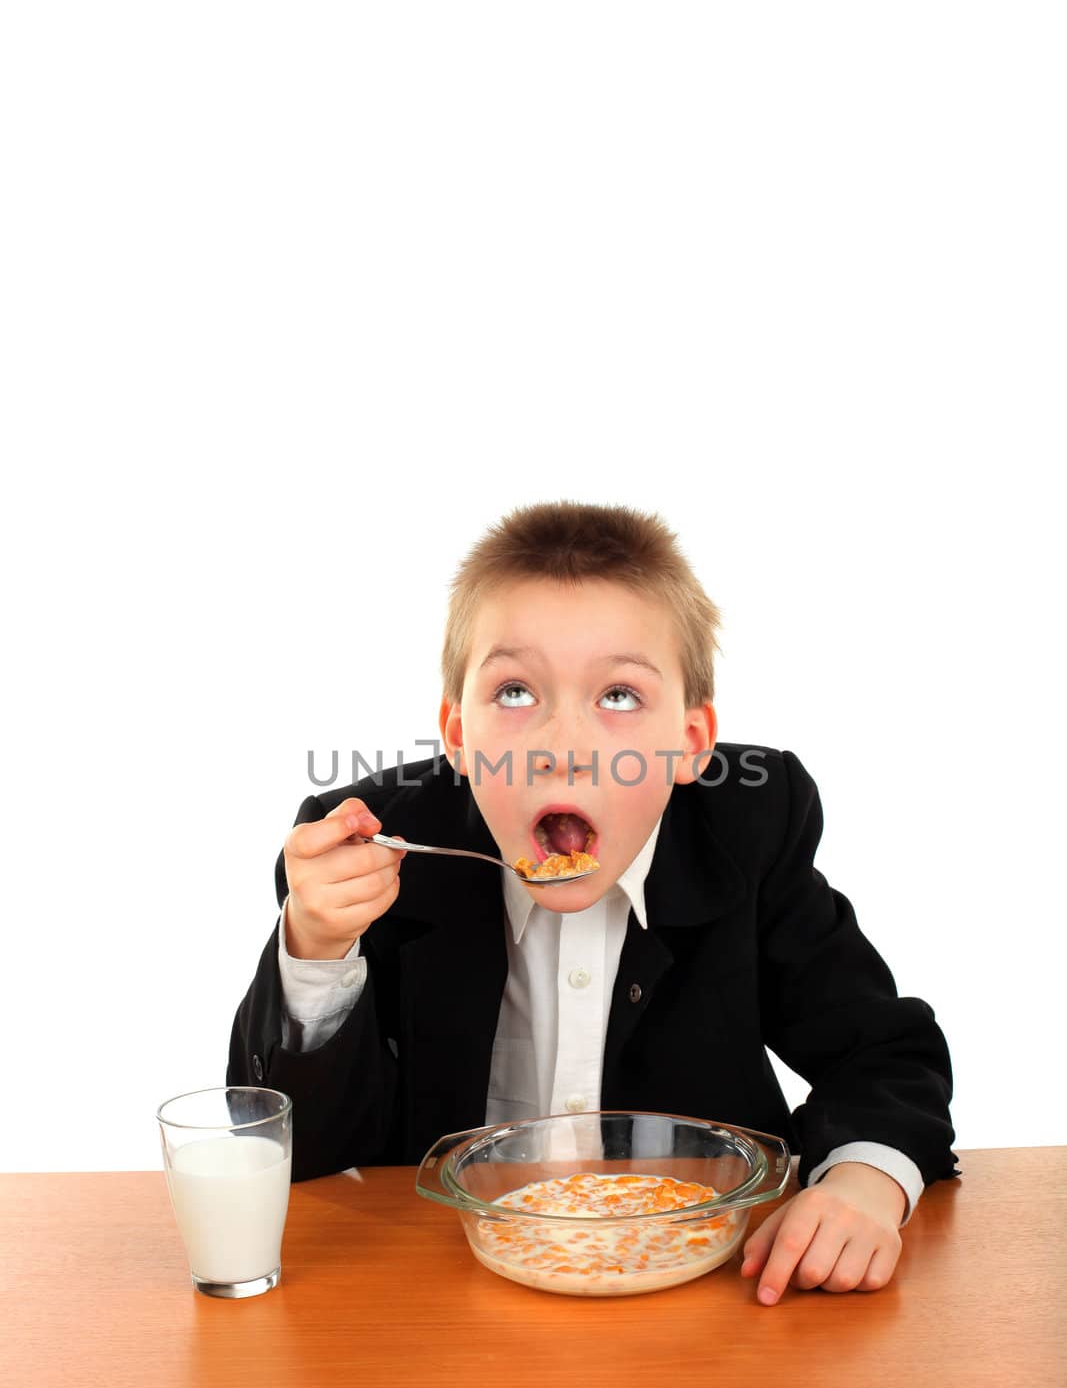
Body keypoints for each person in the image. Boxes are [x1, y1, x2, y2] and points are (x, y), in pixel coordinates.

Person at [228, 500, 959, 1304]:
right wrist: (316, 947)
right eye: (513, 691)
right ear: (458, 735)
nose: (562, 745)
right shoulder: (372, 843)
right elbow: (300, 1152)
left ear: (690, 743)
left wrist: (862, 1185)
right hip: (442, 1289)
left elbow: (884, 1054)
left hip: (709, 1288)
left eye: (617, 696)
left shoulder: (747, 829)